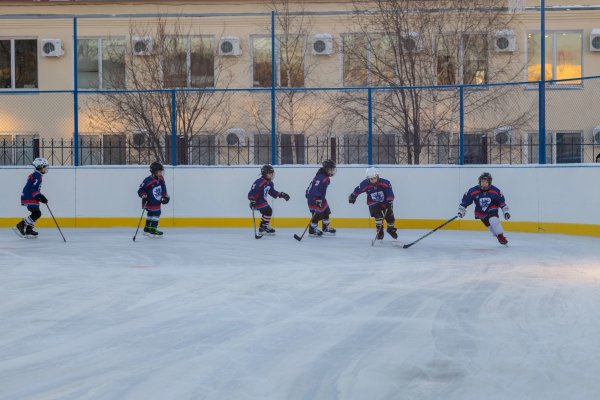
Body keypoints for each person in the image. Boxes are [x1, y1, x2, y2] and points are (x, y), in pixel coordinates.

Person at [457, 172, 510, 245]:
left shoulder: (495, 191)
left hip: (492, 207)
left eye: (486, 182)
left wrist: (506, 211)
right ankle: (498, 236)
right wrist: (461, 210)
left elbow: (502, 203)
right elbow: (465, 201)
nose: (484, 183)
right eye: (482, 182)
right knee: (491, 228)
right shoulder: (473, 190)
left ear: (489, 182)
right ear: (479, 181)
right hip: (480, 212)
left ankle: (501, 236)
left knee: (493, 220)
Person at [348, 167, 397, 240]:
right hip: (372, 202)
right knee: (378, 215)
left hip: (385, 201)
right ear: (368, 179)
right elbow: (358, 189)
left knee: (390, 216)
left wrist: (389, 200)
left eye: (374, 178)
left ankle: (390, 229)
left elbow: (389, 192)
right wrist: (353, 196)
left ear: (377, 176)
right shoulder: (365, 184)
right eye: (371, 179)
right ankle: (379, 231)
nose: (373, 180)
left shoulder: (385, 182)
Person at [248, 164, 290, 236]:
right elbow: (253, 191)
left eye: (272, 173)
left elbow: (273, 192)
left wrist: (281, 194)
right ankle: (264, 226)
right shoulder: (260, 182)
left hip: (262, 202)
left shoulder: (269, 183)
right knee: (268, 210)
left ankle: (262, 227)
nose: (271, 175)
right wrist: (252, 200)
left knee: (267, 212)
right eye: (269, 173)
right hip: (257, 202)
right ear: (265, 173)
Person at [14, 158, 49, 238]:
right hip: (29, 196)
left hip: (29, 196)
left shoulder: (36, 174)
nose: (46, 168)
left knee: (35, 213)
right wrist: (40, 196)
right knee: (37, 213)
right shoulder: (37, 175)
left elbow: (34, 188)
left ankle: (29, 230)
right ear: (39, 167)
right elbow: (34, 189)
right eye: (44, 166)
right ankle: (21, 225)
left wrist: (39, 197)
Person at [305, 159, 337, 236]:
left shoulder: (324, 176)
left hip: (320, 198)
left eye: (333, 169)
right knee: (317, 215)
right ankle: (312, 230)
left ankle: (325, 228)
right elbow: (315, 188)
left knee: (326, 211)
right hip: (314, 198)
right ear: (326, 169)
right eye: (331, 169)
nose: (332, 171)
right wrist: (317, 199)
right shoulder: (321, 177)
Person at [137, 162, 170, 237]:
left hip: (157, 201)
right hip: (149, 201)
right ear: (154, 172)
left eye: (161, 171)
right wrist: (144, 196)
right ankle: (153, 229)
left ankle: (147, 228)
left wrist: (165, 196)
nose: (161, 173)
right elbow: (140, 191)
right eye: (159, 171)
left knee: (151, 214)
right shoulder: (147, 180)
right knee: (156, 213)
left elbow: (163, 187)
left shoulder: (161, 178)